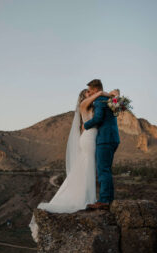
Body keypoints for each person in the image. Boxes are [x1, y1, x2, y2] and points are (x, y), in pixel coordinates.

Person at [28, 82, 118, 242]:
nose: (89, 95)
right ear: (83, 97)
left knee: (88, 169)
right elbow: (95, 111)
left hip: (93, 138)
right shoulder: (84, 105)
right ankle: (89, 199)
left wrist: (112, 95)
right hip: (89, 140)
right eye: (87, 94)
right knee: (90, 168)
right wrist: (102, 93)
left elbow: (107, 109)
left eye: (90, 93)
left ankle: (91, 198)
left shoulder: (96, 105)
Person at [83, 79, 120, 210]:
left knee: (103, 170)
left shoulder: (99, 101)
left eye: (90, 90)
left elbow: (98, 118)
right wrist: (116, 97)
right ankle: (109, 199)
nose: (89, 92)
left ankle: (104, 200)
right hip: (114, 138)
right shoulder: (110, 100)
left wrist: (85, 125)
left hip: (104, 138)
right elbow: (117, 111)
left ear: (95, 90)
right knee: (106, 170)